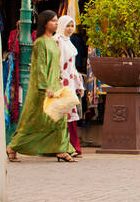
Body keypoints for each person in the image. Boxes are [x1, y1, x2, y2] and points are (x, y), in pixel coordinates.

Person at [6, 10, 76, 162]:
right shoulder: (40, 43)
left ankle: (61, 149)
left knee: (60, 118)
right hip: (42, 90)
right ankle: (13, 146)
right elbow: (39, 67)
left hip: (55, 86)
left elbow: (55, 65)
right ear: (45, 23)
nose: (56, 24)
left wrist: (57, 81)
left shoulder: (52, 41)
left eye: (57, 21)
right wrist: (45, 87)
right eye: (53, 21)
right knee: (33, 121)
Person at [56, 15, 86, 157]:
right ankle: (69, 147)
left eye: (72, 26)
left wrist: (79, 84)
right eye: (67, 26)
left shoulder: (68, 42)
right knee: (65, 116)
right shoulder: (58, 41)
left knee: (70, 116)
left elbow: (72, 67)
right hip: (62, 83)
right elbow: (58, 64)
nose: (70, 29)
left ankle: (72, 147)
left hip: (70, 83)